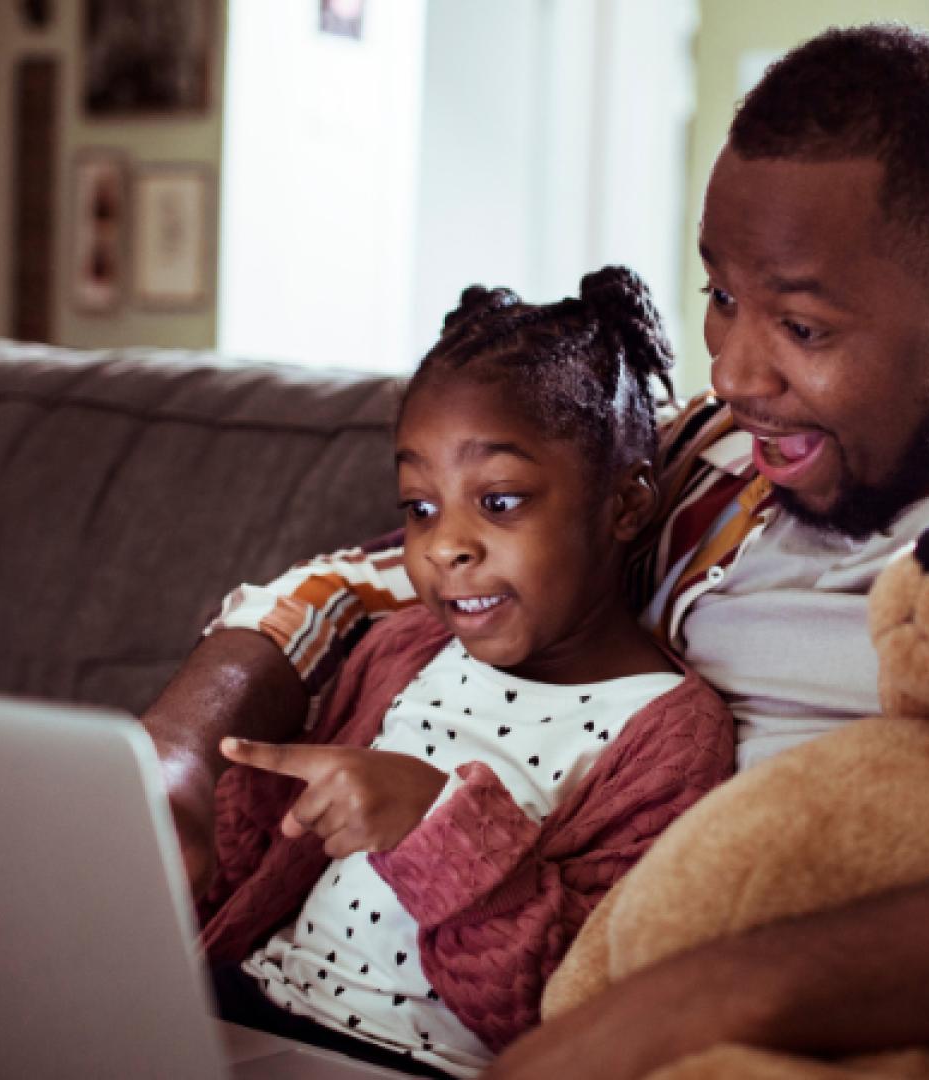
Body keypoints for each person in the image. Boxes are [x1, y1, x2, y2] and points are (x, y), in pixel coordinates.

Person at [142, 24, 929, 1080]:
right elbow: (389, 576)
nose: (736, 371)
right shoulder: (703, 459)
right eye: (721, 298)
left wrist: (725, 995)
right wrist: (186, 757)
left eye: (802, 325)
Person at [187, 268, 735, 1078]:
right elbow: (268, 861)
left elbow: (568, 1009)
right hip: (252, 1012)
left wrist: (436, 827)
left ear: (625, 504)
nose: (445, 547)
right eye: (419, 506)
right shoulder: (404, 649)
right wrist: (207, 825)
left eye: (501, 501)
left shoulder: (670, 738)